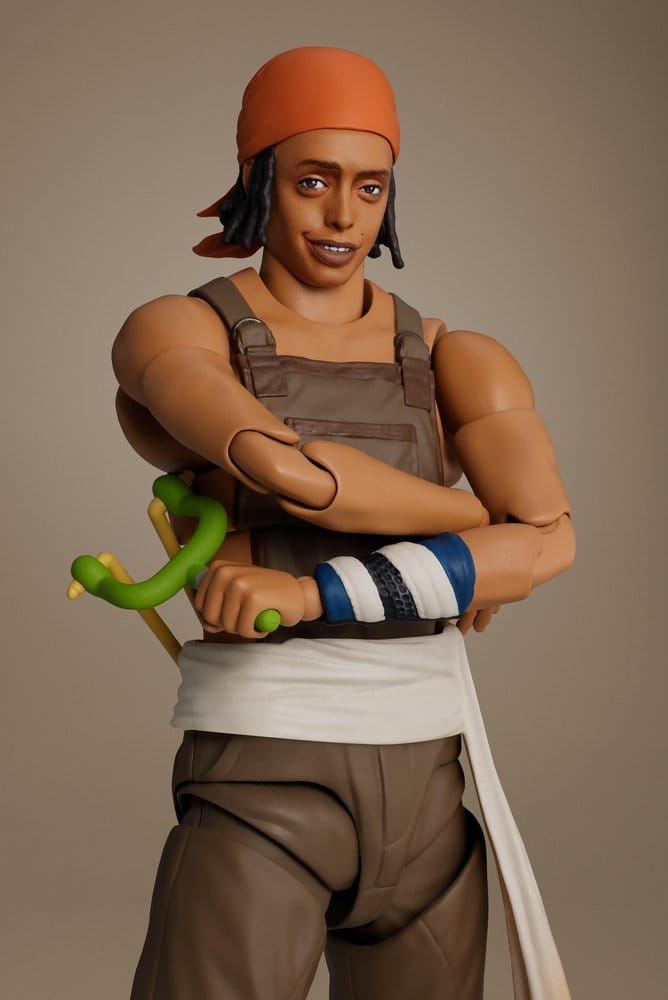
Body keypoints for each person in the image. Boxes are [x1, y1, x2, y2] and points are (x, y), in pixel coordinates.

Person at [112, 47, 575, 1000]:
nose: (342, 216)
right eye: (313, 181)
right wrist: (474, 528)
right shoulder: (181, 330)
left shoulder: (458, 358)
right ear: (260, 180)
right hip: (266, 777)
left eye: (370, 186)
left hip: (431, 789)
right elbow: (291, 472)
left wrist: (311, 592)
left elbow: (552, 543)